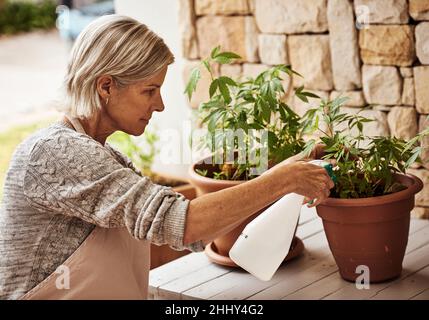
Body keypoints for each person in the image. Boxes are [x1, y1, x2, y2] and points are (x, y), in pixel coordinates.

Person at [0, 15, 334, 300]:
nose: (159, 105)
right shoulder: (54, 152)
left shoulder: (105, 156)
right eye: (149, 90)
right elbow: (182, 224)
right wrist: (280, 181)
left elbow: (196, 233)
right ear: (106, 86)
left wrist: (283, 175)